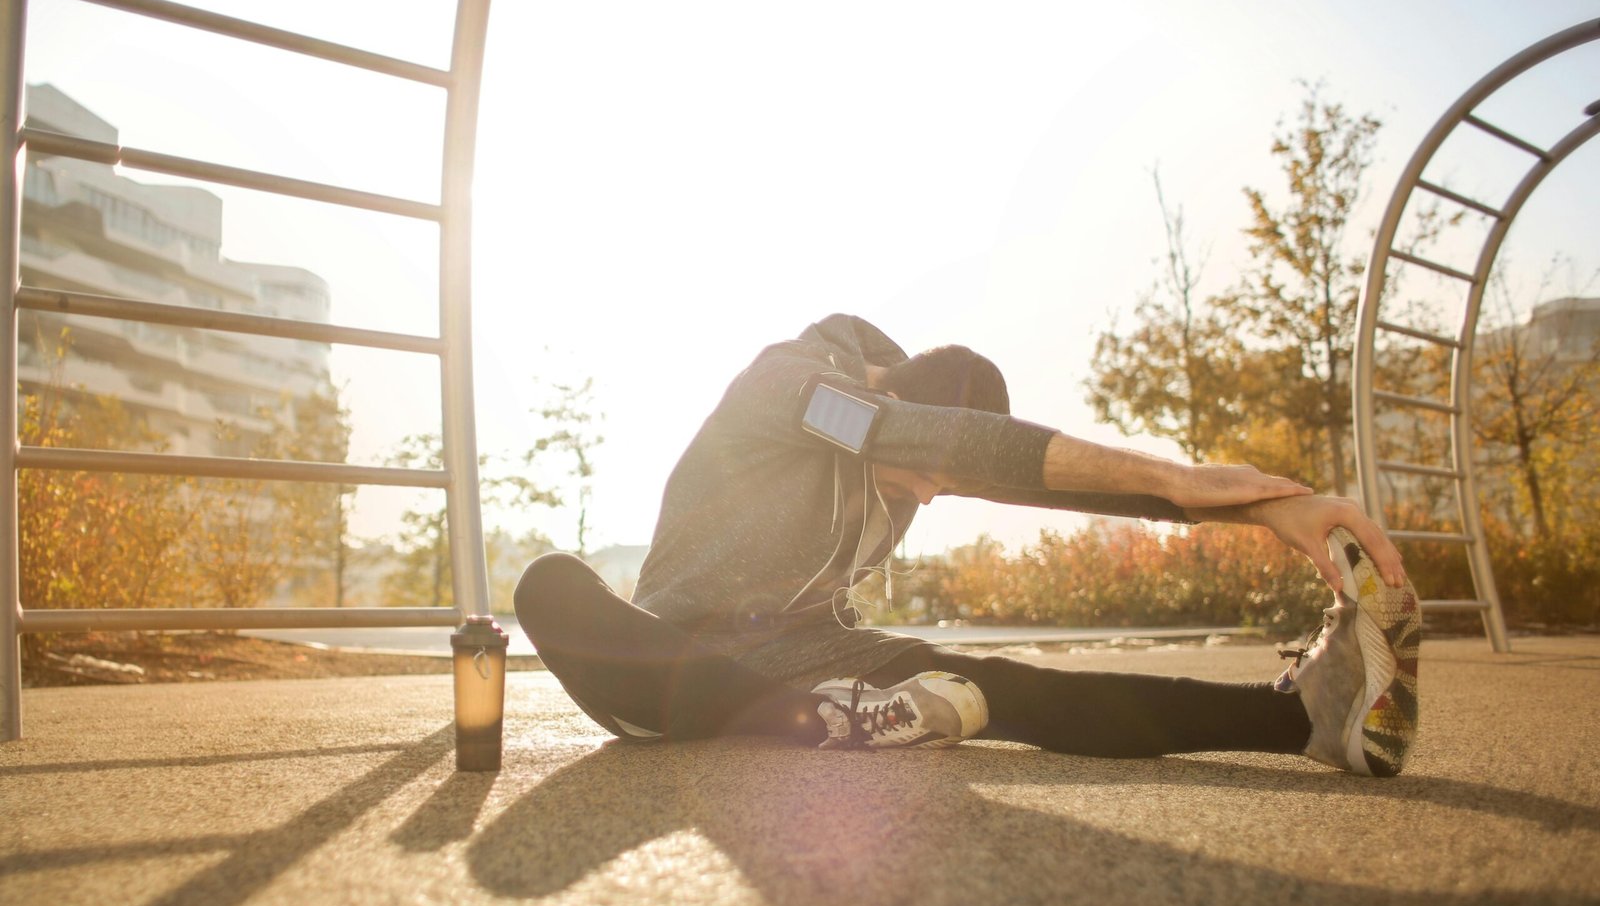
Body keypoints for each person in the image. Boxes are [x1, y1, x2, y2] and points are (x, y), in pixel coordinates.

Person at [515, 315, 1420, 777]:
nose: (933, 494)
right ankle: (823, 718)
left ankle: (1302, 719)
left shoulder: (906, 442)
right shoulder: (793, 386)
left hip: (815, 659)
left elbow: (1024, 472)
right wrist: (1181, 478)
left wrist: (1259, 510)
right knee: (550, 584)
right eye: (930, 471)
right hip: (664, 667)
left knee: (1008, 684)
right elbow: (929, 443)